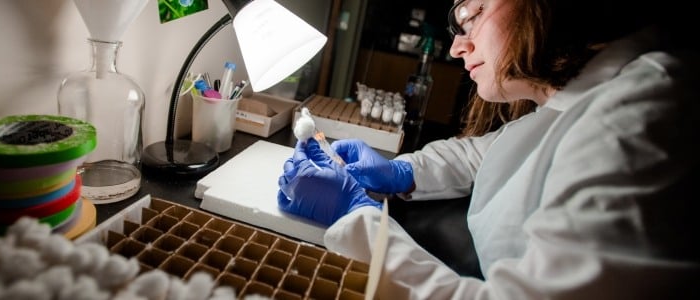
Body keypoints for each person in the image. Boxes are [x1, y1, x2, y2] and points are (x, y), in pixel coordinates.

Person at [277, 0, 700, 298]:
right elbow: (485, 153)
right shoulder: (571, 102)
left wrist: (357, 216)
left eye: (473, 13)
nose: (458, 46)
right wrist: (402, 171)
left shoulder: (637, 116)